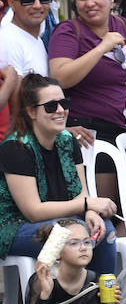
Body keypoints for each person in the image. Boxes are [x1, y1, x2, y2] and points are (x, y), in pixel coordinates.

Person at [0, 75, 119, 274]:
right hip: (13, 227)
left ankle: (103, 301)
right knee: (70, 234)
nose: (61, 110)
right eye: (51, 106)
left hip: (61, 220)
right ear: (31, 112)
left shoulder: (67, 141)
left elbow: (81, 192)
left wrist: (90, 212)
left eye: (64, 103)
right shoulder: (16, 147)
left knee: (104, 229)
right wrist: (87, 205)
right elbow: (33, 211)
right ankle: (58, 301)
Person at [48, 0, 126, 147]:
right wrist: (101, 48)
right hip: (89, 132)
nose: (90, 3)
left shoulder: (123, 25)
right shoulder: (68, 31)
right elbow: (59, 78)